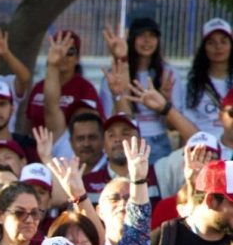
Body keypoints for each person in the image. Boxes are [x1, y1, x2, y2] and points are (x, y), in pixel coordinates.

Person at [100, 18, 185, 162]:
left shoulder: (169, 73)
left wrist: (165, 102)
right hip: (126, 143)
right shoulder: (113, 75)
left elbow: (173, 127)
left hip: (159, 142)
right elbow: (112, 119)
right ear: (131, 39)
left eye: (152, 36)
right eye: (141, 35)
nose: (147, 41)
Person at [26, 30, 103, 130]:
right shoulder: (38, 87)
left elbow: (98, 124)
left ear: (77, 59)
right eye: (58, 50)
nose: (63, 56)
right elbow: (27, 124)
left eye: (70, 51)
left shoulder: (86, 89)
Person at [184, 18, 233, 137]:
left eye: (223, 41)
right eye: (211, 42)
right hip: (204, 147)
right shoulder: (193, 85)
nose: (218, 47)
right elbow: (187, 124)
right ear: (204, 48)